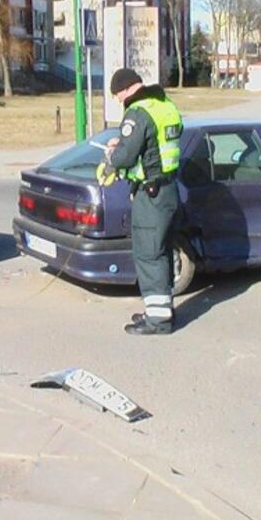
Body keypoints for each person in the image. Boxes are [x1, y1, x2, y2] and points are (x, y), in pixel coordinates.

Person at [102, 68, 183, 335]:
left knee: (149, 254)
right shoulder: (164, 105)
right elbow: (155, 145)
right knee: (162, 253)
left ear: (126, 89)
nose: (117, 101)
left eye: (117, 95)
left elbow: (125, 157)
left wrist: (112, 154)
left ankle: (158, 321)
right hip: (169, 189)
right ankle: (161, 309)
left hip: (151, 194)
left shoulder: (137, 111)